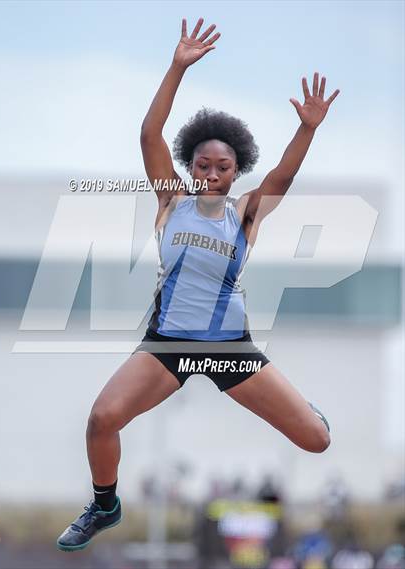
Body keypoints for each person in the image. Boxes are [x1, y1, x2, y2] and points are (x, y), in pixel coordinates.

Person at [57, 17, 339, 552]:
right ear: (190, 166)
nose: (212, 172)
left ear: (236, 171)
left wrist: (308, 127)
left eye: (223, 166)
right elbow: (148, 135)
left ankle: (312, 412)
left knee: (317, 441)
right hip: (169, 346)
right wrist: (176, 67)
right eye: (203, 164)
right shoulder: (171, 202)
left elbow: (282, 177)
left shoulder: (245, 214)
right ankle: (104, 504)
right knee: (101, 419)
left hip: (230, 349)